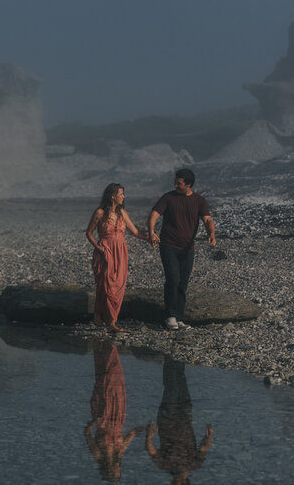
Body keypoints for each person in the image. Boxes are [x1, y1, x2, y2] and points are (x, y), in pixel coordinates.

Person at [147, 169, 216, 331]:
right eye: (175, 182)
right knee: (173, 279)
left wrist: (211, 234)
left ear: (189, 185)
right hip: (168, 245)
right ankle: (169, 316)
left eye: (179, 183)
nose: (175, 185)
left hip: (187, 248)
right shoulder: (168, 198)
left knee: (182, 283)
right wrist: (151, 232)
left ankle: (179, 318)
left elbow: (207, 219)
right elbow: (154, 215)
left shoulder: (199, 201)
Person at [86, 183, 149, 332]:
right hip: (105, 251)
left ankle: (108, 319)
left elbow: (135, 232)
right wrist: (99, 248)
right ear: (112, 196)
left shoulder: (122, 213)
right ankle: (108, 320)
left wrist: (149, 238)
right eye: (121, 194)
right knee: (107, 284)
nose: (123, 197)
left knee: (119, 285)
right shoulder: (100, 212)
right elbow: (89, 233)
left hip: (120, 252)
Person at [145, 357, 214, 485]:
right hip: (185, 417)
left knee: (171, 385)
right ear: (184, 482)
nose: (172, 482)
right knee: (181, 382)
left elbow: (152, 451)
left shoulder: (165, 465)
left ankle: (170, 357)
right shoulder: (195, 464)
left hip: (167, 419)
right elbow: (203, 448)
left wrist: (148, 436)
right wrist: (209, 437)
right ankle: (179, 356)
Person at [85, 340, 146, 482]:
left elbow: (87, 433)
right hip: (118, 415)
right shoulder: (120, 452)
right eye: (119, 471)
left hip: (102, 415)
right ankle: (110, 344)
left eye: (116, 472)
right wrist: (146, 430)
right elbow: (132, 433)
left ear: (110, 471)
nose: (119, 469)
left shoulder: (99, 455)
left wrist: (95, 421)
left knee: (104, 380)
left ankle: (100, 343)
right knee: (116, 378)